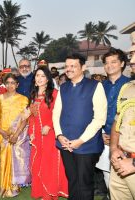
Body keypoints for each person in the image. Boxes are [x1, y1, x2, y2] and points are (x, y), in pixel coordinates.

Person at [53, 53, 107, 200]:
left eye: (73, 66)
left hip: (86, 145)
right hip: (65, 143)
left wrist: (80, 140)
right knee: (72, 180)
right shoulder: (63, 88)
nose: (68, 69)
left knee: (84, 183)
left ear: (83, 67)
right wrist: (59, 135)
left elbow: (99, 119)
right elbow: (56, 114)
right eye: (67, 66)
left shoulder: (95, 86)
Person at [29, 67, 68, 199]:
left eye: (42, 76)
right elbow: (32, 117)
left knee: (48, 166)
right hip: (37, 137)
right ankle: (40, 191)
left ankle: (49, 194)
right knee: (37, 165)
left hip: (50, 136)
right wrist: (31, 132)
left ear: (47, 79)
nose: (39, 78)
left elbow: (61, 114)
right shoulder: (33, 95)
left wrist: (50, 126)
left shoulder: (55, 94)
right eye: (37, 75)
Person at [95, 48, 129, 192]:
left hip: (126, 139)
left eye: (113, 62)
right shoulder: (100, 87)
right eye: (107, 63)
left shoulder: (131, 85)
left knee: (126, 174)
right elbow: (96, 112)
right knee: (107, 173)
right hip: (104, 136)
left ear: (122, 63)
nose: (109, 65)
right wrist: (100, 133)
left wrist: (118, 137)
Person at [109, 32, 135, 200]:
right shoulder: (127, 88)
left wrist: (133, 163)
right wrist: (113, 148)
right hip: (120, 162)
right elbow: (117, 122)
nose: (132, 61)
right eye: (132, 55)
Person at [0, 73, 30, 197]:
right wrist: (0, 131)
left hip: (17, 134)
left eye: (13, 83)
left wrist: (16, 134)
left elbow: (25, 119)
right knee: (4, 159)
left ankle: (14, 187)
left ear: (17, 84)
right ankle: (3, 186)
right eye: (8, 83)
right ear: (4, 84)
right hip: (3, 134)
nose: (10, 85)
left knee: (14, 160)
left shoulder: (23, 99)